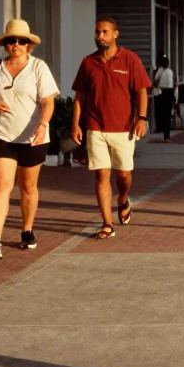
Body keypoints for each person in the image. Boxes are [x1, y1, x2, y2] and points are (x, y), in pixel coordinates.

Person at [0, 19, 59, 259]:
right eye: (11, 40)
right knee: (1, 185)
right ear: (5, 44)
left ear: (29, 45)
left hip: (33, 136)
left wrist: (43, 126)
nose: (16, 44)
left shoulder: (38, 67)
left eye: (22, 41)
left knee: (28, 186)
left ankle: (27, 230)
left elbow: (47, 101)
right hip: (1, 134)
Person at [71, 17, 151, 240]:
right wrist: (76, 123)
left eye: (105, 32)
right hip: (95, 127)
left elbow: (141, 91)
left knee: (124, 175)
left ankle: (123, 199)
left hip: (124, 128)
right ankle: (107, 223)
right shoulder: (88, 63)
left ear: (116, 34)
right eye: (97, 32)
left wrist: (141, 118)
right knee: (102, 175)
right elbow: (80, 96)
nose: (100, 36)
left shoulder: (130, 60)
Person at [152, 54, 176, 142]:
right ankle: (167, 135)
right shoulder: (170, 71)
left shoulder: (161, 70)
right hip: (170, 92)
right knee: (168, 115)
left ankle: (162, 131)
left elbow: (155, 81)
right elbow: (175, 82)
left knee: (162, 114)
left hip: (162, 92)